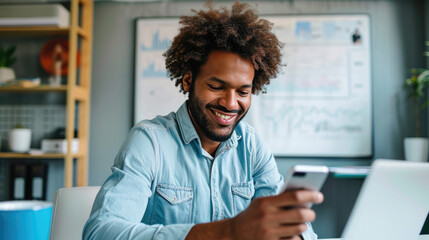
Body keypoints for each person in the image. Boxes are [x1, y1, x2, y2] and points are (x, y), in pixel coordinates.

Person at [83, 2, 323, 240]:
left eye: (243, 92)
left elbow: (301, 231)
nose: (230, 104)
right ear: (188, 81)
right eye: (217, 86)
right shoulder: (150, 141)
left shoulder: (251, 146)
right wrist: (229, 232)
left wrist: (292, 235)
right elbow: (99, 233)